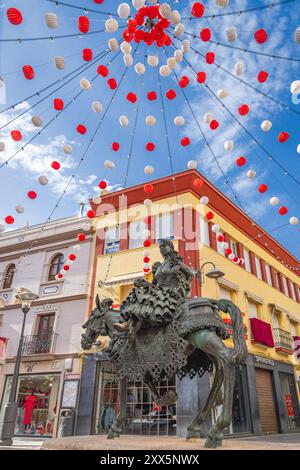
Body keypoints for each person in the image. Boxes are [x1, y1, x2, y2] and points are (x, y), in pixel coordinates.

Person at [113, 239, 194, 337]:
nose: (161, 249)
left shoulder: (175, 262)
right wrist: (144, 283)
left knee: (145, 297)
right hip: (160, 292)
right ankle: (129, 325)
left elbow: (191, 273)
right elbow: (154, 285)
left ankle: (130, 327)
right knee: (138, 293)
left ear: (171, 247)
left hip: (171, 292)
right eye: (160, 247)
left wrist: (179, 276)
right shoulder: (159, 265)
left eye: (164, 246)